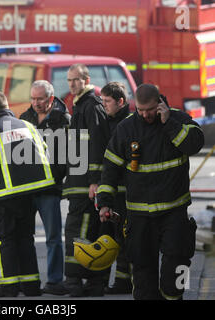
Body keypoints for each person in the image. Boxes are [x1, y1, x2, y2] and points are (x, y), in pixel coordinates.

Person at [97, 83, 203, 300]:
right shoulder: (126, 129)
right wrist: (105, 202)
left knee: (178, 265)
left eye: (150, 110)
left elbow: (194, 145)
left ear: (160, 104)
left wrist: (169, 124)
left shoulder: (178, 119)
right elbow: (110, 169)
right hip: (139, 216)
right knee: (143, 278)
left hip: (174, 212)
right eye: (141, 110)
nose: (145, 115)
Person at [0, 91, 55, 297]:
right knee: (25, 238)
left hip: (1, 195)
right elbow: (44, 152)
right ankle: (31, 287)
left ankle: (8, 287)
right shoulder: (28, 126)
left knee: (3, 241)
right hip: (28, 195)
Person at [62, 64, 111, 297]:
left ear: (86, 80)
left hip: (86, 185)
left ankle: (74, 281)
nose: (72, 84)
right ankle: (93, 282)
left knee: (78, 230)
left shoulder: (91, 105)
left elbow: (97, 145)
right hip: (78, 182)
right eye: (69, 80)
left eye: (76, 80)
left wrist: (94, 180)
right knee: (88, 230)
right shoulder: (82, 104)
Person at [20, 80, 71, 295]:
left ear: (50, 99)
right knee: (24, 237)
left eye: (40, 99)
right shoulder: (24, 119)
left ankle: (54, 281)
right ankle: (28, 281)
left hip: (50, 188)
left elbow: (72, 154)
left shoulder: (64, 120)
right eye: (32, 98)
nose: (35, 103)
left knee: (53, 237)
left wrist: (64, 181)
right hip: (26, 189)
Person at [99, 82, 132, 294]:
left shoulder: (128, 124)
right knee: (119, 237)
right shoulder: (109, 121)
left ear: (120, 101)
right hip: (113, 190)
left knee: (127, 237)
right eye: (101, 101)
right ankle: (122, 281)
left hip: (128, 191)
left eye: (107, 102)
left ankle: (126, 281)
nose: (103, 106)